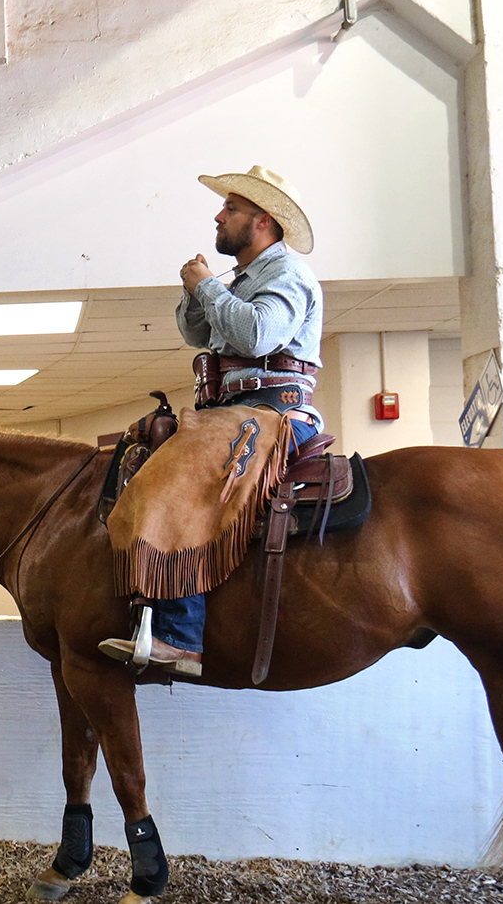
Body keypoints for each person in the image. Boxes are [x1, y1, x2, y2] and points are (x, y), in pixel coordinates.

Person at [99, 165, 323, 676]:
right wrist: (196, 291)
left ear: (263, 221)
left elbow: (257, 335)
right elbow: (197, 334)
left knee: (180, 480)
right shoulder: (244, 278)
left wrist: (207, 287)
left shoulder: (288, 274)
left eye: (231, 209)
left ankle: (180, 637)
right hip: (233, 413)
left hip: (272, 412)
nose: (219, 217)